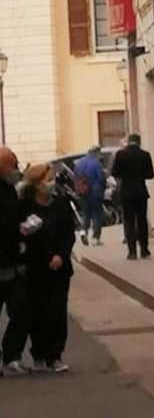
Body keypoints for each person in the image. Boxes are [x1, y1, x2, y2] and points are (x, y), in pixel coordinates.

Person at [20, 163, 76, 374]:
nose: (52, 184)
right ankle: (39, 354)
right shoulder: (25, 206)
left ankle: (55, 355)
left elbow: (68, 234)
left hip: (59, 268)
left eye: (53, 179)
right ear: (36, 184)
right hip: (35, 268)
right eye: (47, 180)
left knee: (57, 311)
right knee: (37, 312)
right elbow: (22, 235)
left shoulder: (61, 204)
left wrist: (60, 255)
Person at [0, 146, 29, 377]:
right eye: (14, 164)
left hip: (15, 264)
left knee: (21, 313)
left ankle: (12, 357)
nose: (16, 169)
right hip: (2, 264)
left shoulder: (10, 190)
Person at [112, 134, 154, 260]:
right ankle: (144, 250)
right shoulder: (145, 155)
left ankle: (132, 252)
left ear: (128, 142)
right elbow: (150, 174)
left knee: (129, 221)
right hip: (141, 192)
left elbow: (115, 173)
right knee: (142, 220)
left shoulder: (120, 154)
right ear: (139, 142)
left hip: (126, 192)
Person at [74, 146, 106, 246]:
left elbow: (75, 177)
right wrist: (103, 187)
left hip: (82, 193)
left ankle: (83, 231)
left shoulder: (79, 163)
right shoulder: (96, 163)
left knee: (85, 214)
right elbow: (101, 178)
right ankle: (95, 238)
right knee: (96, 215)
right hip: (95, 193)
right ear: (96, 153)